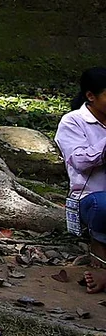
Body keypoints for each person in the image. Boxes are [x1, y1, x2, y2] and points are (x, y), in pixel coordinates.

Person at [57, 66, 106, 281]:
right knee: (102, 205)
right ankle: (98, 242)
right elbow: (79, 162)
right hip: (90, 200)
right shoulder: (73, 121)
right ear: (91, 96)